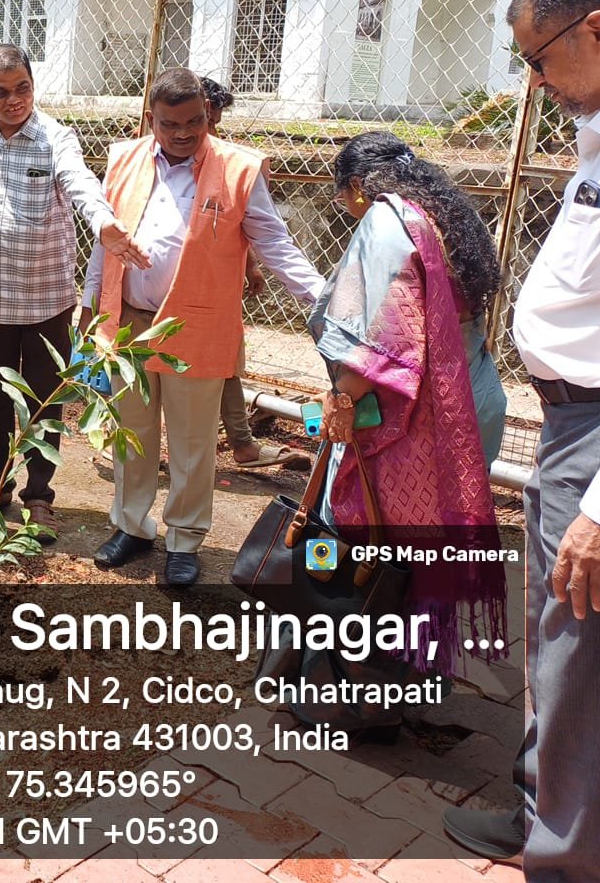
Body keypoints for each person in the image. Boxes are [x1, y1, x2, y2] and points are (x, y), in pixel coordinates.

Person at [442, 0, 600, 882]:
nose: (535, 81)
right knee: (560, 657)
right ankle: (546, 817)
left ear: (599, 30)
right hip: (579, 426)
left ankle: (569, 862)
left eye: (539, 58)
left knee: (589, 672)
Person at [259, 130, 509, 735]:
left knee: (354, 547)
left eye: (341, 195)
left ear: (354, 187)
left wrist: (340, 403)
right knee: (425, 557)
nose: (343, 206)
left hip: (409, 419)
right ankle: (413, 681)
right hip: (473, 403)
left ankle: (350, 699)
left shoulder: (384, 221)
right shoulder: (447, 215)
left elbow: (375, 338)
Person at [82, 68, 323, 587]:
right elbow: (106, 241)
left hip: (195, 327)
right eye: (170, 124)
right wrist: (89, 306)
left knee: (192, 443)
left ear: (207, 115)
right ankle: (132, 525)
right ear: (151, 119)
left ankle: (184, 540)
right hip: (127, 323)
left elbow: (274, 242)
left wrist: (322, 297)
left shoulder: (238, 169)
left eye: (194, 121)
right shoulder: (123, 159)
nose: (184, 133)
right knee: (131, 434)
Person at [0, 44, 148, 531]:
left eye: (22, 88)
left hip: (47, 300)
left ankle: (40, 495)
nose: (14, 100)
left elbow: (79, 181)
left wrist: (103, 222)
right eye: (1, 92)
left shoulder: (56, 137)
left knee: (45, 400)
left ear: (33, 86)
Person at [199, 77, 309, 471]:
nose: (209, 132)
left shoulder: (234, 164)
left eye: (213, 122)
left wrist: (251, 267)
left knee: (225, 358)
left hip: (215, 286)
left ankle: (242, 443)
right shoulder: (150, 160)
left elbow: (249, 226)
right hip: (162, 291)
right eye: (203, 121)